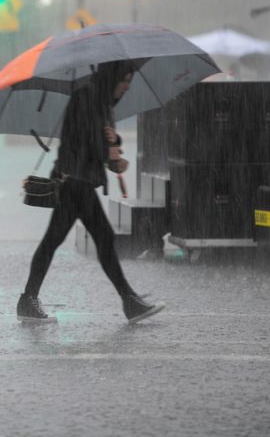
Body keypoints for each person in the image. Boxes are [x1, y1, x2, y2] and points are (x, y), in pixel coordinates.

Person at [17, 62, 166, 324]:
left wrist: (114, 148)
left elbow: (101, 145)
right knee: (98, 240)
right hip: (74, 181)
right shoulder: (85, 98)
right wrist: (106, 148)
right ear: (112, 77)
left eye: (129, 85)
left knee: (61, 241)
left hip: (81, 180)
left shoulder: (103, 103)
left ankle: (29, 299)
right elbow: (80, 142)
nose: (125, 89)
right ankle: (128, 301)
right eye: (124, 83)